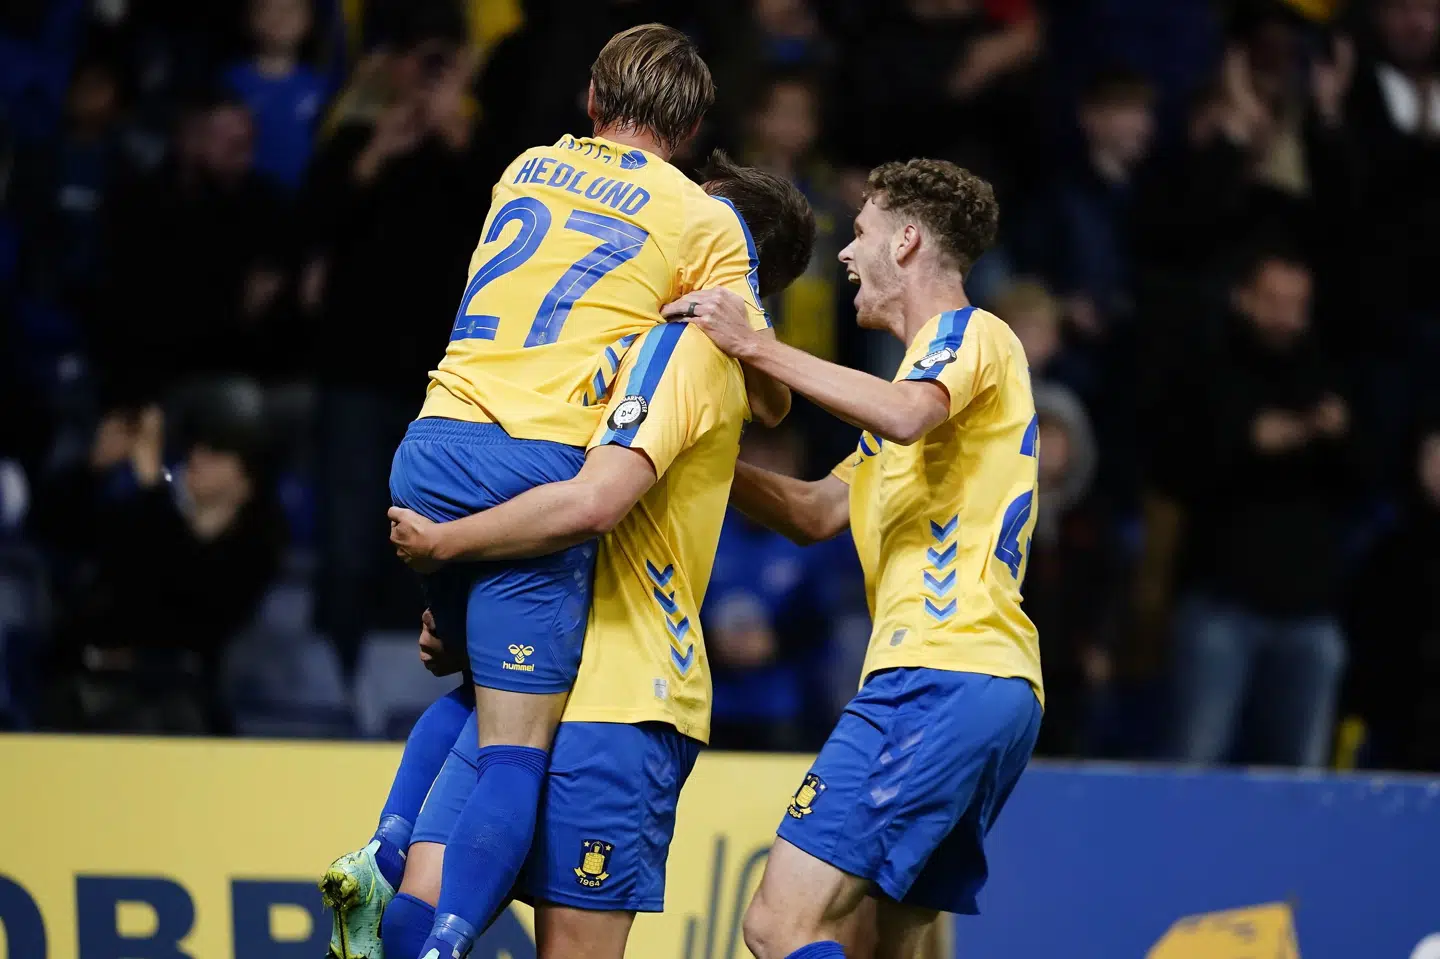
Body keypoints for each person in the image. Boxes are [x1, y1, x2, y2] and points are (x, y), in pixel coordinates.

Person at [369, 20, 793, 959]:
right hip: (582, 633)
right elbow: (602, 494)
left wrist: (449, 553)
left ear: (592, 101)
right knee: (492, 832)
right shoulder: (690, 274)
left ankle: (381, 852)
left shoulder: (527, 170)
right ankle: (420, 912)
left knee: (436, 837)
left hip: (445, 447)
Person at [671, 158, 1043, 959]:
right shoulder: (912, 406)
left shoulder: (967, 338)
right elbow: (814, 511)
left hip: (938, 676)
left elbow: (910, 412)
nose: (845, 252)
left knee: (777, 925)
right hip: (987, 687)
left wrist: (755, 345)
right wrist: (687, 458)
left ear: (907, 242)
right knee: (884, 946)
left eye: (864, 231)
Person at [223, 0, 329, 191]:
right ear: (249, 18)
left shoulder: (321, 85)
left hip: (305, 198)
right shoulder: (230, 82)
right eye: (267, 8)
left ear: (309, 21)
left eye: (290, 9)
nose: (280, 17)